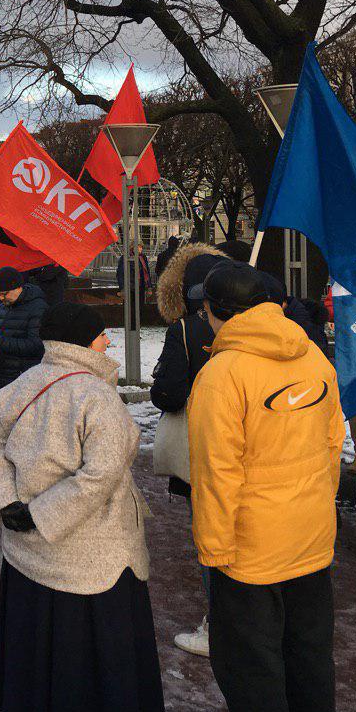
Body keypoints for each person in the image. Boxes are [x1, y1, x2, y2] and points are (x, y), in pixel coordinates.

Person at [0, 302, 168, 712]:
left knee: (43, 648)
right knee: (94, 660)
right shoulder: (97, 396)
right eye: (101, 335)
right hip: (95, 557)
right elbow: (102, 473)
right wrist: (41, 514)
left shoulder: (20, 385)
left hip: (27, 555)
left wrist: (11, 505)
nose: (107, 342)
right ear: (81, 342)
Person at [188, 261, 344, 712]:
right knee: (310, 661)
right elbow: (333, 443)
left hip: (250, 552)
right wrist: (318, 507)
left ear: (217, 311)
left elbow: (216, 473)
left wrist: (214, 550)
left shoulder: (222, 374)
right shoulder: (312, 354)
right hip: (311, 538)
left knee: (252, 673)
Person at [149, 242, 226, 657]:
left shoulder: (186, 329)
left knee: (213, 537)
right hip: (266, 455)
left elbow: (169, 393)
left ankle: (219, 625)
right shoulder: (281, 329)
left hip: (207, 451)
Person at [0, 266, 46, 388]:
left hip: (23, 377)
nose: (1, 298)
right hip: (3, 373)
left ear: (18, 287)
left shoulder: (38, 307)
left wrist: (0, 341)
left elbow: (37, 345)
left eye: (4, 294)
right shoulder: (3, 306)